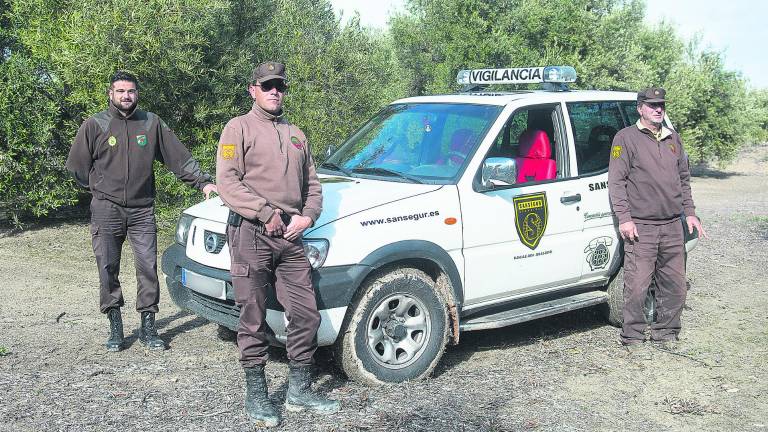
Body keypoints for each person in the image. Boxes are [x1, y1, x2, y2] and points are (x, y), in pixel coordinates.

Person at [216, 61, 339, 427]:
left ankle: (299, 390)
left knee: (305, 313)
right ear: (252, 89)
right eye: (266, 85)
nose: (274, 91)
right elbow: (227, 182)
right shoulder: (237, 129)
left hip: (291, 236)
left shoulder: (297, 134)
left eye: (279, 86)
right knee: (252, 315)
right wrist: (264, 211)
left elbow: (313, 186)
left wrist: (308, 216)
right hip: (251, 233)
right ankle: (257, 396)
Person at [66, 71, 217, 352]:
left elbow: (179, 158)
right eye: (120, 91)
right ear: (110, 94)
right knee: (107, 267)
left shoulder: (150, 123)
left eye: (131, 91)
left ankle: (149, 328)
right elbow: (76, 167)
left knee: (147, 267)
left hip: (142, 210)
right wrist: (99, 190)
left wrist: (203, 181)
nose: (126, 96)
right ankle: (115, 325)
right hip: (106, 210)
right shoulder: (95, 125)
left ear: (137, 94)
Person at [608, 87, 707, 351]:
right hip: (642, 226)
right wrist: (625, 218)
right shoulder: (625, 138)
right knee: (637, 284)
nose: (658, 109)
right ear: (640, 108)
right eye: (652, 105)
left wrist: (690, 213)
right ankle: (633, 337)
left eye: (661, 104)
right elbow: (616, 182)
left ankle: (667, 333)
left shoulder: (673, 138)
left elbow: (683, 180)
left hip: (673, 225)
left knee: (674, 284)